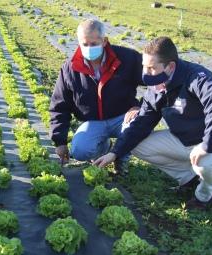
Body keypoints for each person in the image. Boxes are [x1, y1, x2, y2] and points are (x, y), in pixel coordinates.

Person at [94, 36, 212, 209]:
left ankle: (204, 195)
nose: (146, 73)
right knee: (136, 144)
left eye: (151, 68)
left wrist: (206, 146)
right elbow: (142, 123)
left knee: (206, 162)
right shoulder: (156, 86)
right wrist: (115, 152)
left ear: (170, 66)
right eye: (144, 67)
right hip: (184, 138)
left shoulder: (196, 77)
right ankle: (189, 177)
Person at [49, 19, 143, 172]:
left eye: (93, 44)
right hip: (94, 121)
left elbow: (156, 82)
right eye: (84, 44)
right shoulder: (70, 68)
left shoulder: (127, 58)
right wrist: (60, 142)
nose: (89, 48)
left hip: (123, 117)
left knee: (139, 125)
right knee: (79, 150)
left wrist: (140, 106)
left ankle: (121, 158)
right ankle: (104, 150)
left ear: (104, 41)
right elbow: (59, 106)